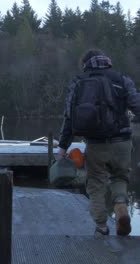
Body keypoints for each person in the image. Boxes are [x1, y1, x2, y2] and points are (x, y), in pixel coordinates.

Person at [56, 49, 140, 237]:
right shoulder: (121, 79)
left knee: (95, 184)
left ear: (85, 64)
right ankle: (120, 207)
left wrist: (63, 148)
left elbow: (69, 118)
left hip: (95, 144)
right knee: (120, 177)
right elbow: (138, 105)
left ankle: (102, 227)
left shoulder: (78, 82)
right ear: (106, 61)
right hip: (122, 142)